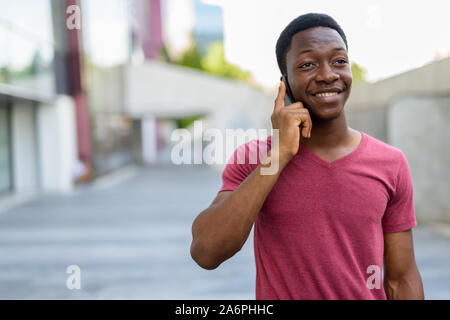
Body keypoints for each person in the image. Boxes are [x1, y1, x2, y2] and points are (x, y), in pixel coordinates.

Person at [190, 12, 424, 300]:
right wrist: (279, 156)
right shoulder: (255, 158)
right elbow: (207, 251)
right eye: (308, 64)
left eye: (339, 61)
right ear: (284, 83)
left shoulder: (391, 163)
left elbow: (401, 280)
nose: (328, 75)